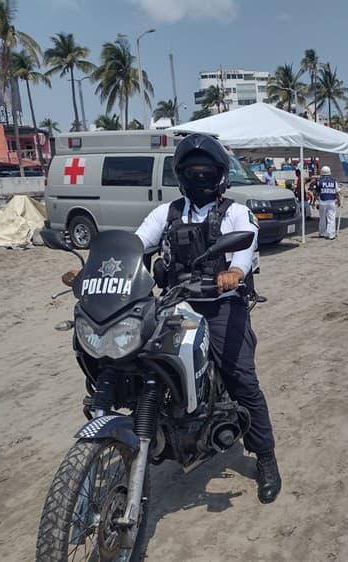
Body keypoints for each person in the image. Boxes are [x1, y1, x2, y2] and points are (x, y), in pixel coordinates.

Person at [135, 133, 281, 504]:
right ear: (182, 175)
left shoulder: (235, 211)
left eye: (207, 172)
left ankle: (265, 457)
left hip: (221, 304)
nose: (199, 178)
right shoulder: (166, 213)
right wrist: (101, 268)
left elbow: (244, 248)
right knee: (141, 359)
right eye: (192, 172)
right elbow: (136, 243)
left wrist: (235, 273)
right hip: (176, 302)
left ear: (219, 175)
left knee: (241, 378)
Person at [309, 165, 341, 239]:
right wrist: (339, 202)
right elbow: (337, 193)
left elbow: (317, 193)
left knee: (322, 218)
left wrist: (313, 202)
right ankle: (331, 234)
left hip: (322, 202)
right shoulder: (334, 181)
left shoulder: (319, 182)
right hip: (332, 202)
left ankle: (321, 233)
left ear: (322, 173)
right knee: (331, 218)